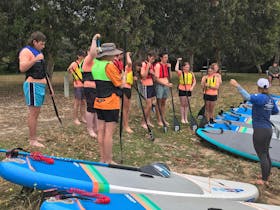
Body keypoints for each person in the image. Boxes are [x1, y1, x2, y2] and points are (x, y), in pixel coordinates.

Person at [230, 78, 279, 185]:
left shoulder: (260, 97)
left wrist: (237, 85)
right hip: (268, 129)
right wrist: (265, 111)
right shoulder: (270, 98)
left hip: (260, 130)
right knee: (265, 153)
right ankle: (266, 175)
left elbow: (247, 97)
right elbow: (275, 111)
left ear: (258, 87)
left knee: (262, 154)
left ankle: (264, 180)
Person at [90, 34, 125, 164]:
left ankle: (102, 158)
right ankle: (108, 159)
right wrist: (125, 76)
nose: (115, 56)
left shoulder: (95, 65)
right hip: (111, 102)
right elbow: (119, 84)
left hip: (99, 102)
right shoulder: (109, 66)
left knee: (101, 130)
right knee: (109, 133)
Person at [19, 31, 53, 148]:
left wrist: (50, 87)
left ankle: (34, 136)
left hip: (41, 85)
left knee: (36, 113)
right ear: (34, 42)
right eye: (41, 44)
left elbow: (44, 72)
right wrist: (35, 59)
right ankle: (32, 140)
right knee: (33, 114)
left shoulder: (39, 52)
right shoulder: (26, 51)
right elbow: (22, 68)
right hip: (32, 85)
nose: (43, 46)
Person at [81, 48, 98, 138]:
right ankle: (90, 129)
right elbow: (92, 53)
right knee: (90, 108)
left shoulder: (95, 61)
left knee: (96, 108)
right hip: (89, 87)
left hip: (97, 88)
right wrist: (95, 39)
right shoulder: (88, 58)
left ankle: (95, 127)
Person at [67, 50, 86, 125]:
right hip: (77, 85)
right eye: (82, 56)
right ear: (78, 56)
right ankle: (75, 118)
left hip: (84, 84)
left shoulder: (84, 63)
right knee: (77, 102)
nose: (83, 57)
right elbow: (68, 70)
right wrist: (71, 70)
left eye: (84, 56)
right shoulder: (74, 63)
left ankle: (83, 117)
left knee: (83, 102)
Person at [175, 58, 196, 124]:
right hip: (182, 89)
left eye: (188, 67)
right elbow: (176, 69)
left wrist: (192, 87)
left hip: (189, 89)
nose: (187, 68)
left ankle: (186, 118)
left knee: (187, 104)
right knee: (182, 104)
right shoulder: (181, 73)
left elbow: (194, 81)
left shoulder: (191, 73)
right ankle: (182, 118)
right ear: (183, 67)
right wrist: (178, 61)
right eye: (186, 67)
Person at [154, 52, 173, 126]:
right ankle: (159, 120)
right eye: (165, 57)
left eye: (167, 57)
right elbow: (156, 79)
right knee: (158, 102)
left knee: (163, 102)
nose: (166, 59)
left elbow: (170, 76)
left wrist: (169, 68)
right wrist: (165, 84)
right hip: (160, 85)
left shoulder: (166, 65)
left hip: (166, 85)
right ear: (161, 58)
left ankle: (163, 118)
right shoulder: (158, 65)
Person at [140, 51, 157, 129]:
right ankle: (143, 122)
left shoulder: (152, 65)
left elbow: (154, 77)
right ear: (148, 57)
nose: (153, 60)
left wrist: (153, 73)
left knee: (151, 105)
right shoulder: (144, 64)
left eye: (154, 59)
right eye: (152, 58)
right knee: (148, 105)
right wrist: (148, 67)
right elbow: (143, 76)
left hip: (151, 85)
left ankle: (148, 120)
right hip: (146, 85)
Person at [122, 52, 135, 133]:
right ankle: (125, 126)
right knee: (125, 108)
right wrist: (127, 54)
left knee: (127, 108)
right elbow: (130, 62)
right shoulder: (127, 67)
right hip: (125, 88)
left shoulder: (128, 68)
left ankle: (126, 124)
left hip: (129, 88)